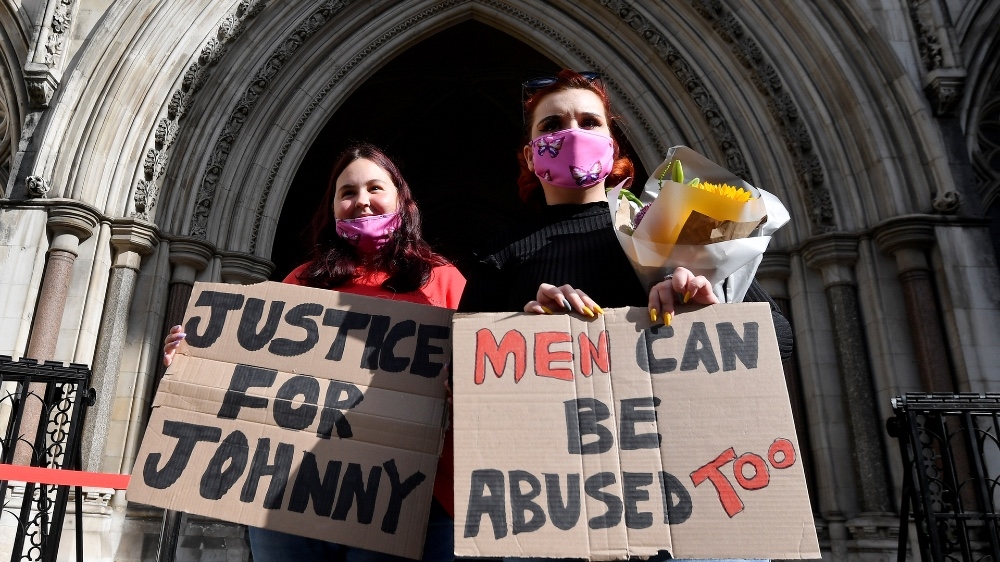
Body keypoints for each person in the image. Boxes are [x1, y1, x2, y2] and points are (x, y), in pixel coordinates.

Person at [458, 69, 788, 562]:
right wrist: (521, 332)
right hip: (556, 506)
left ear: (613, 148)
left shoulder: (668, 226)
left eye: (590, 122)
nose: (572, 133)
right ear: (530, 155)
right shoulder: (500, 255)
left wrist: (709, 312)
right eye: (552, 126)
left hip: (678, 489)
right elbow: (464, 385)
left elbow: (777, 340)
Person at [163, 142, 464, 562]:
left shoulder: (443, 281)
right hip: (294, 490)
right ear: (334, 207)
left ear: (401, 198)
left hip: (397, 494)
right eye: (347, 192)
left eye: (375, 188)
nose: (361, 201)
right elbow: (255, 369)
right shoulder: (304, 281)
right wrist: (200, 359)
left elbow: (471, 378)